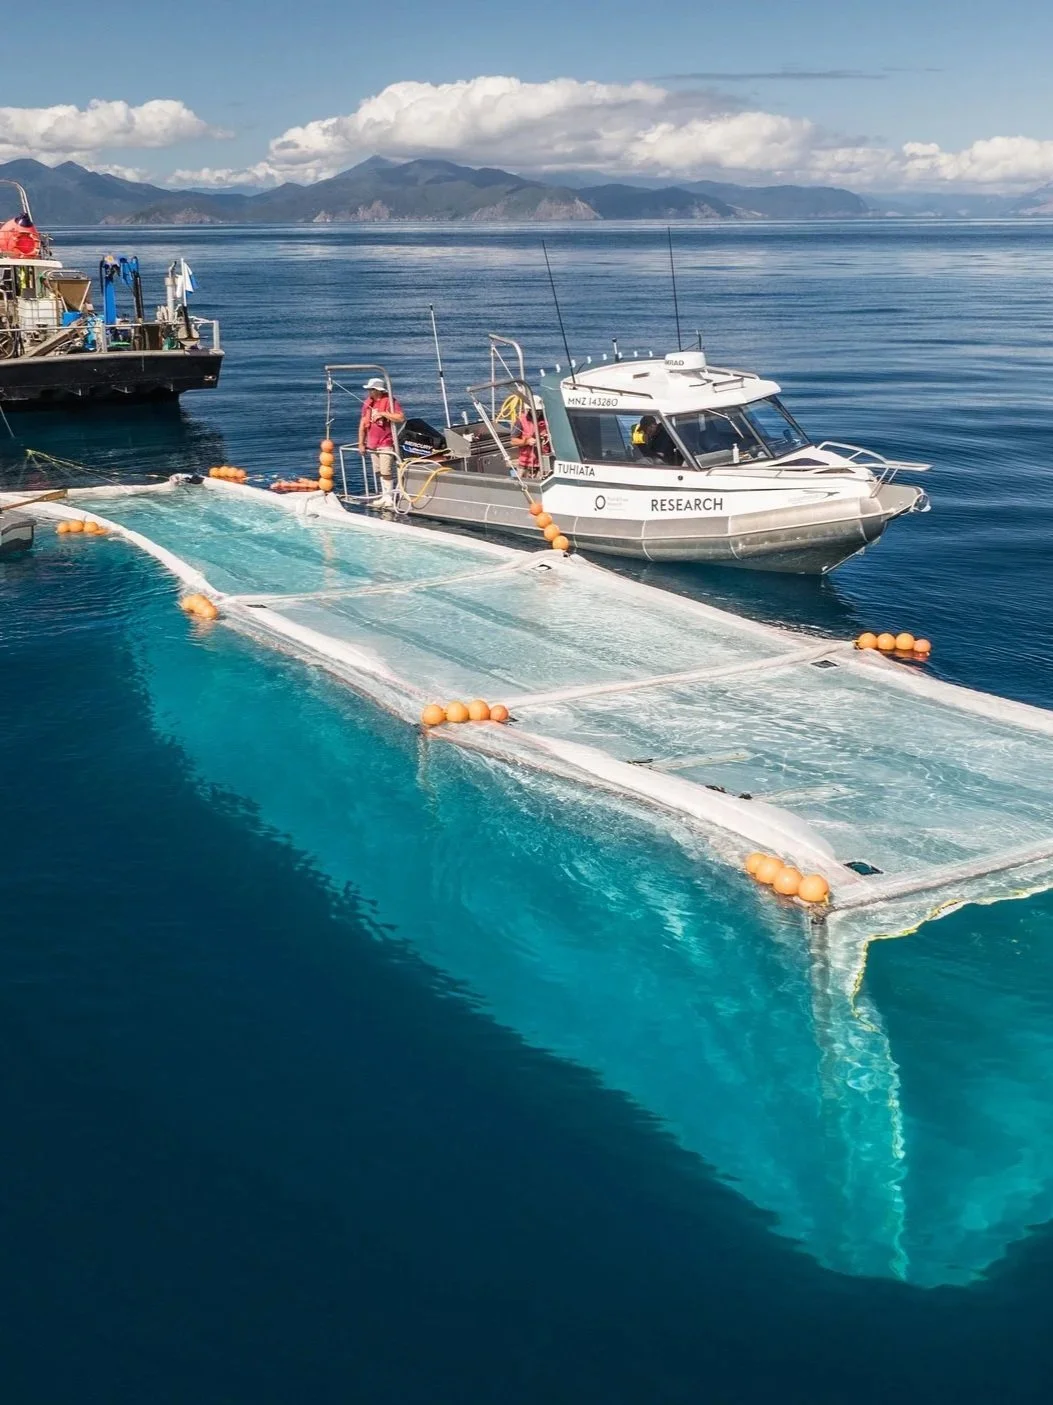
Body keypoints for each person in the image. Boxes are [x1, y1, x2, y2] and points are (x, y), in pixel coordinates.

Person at [358, 377, 405, 507]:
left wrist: (383, 414)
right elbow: (362, 424)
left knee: (386, 470)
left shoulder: (390, 401)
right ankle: (384, 495)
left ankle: (389, 496)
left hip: (386, 443)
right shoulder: (368, 403)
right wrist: (361, 443)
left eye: (371, 389)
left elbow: (400, 417)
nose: (369, 392)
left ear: (377, 390)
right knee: (378, 471)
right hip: (372, 444)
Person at [510, 398, 550, 478]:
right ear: (529, 409)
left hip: (543, 463)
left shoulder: (547, 420)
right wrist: (527, 442)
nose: (538, 413)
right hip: (525, 464)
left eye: (539, 410)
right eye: (535, 411)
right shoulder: (521, 421)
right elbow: (513, 441)